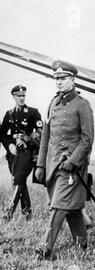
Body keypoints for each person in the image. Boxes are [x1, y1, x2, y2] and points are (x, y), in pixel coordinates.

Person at [34, 60, 95, 260]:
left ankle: (45, 246)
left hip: (71, 167)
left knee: (59, 204)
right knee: (71, 207)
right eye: (56, 79)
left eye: (63, 78)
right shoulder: (53, 103)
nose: (59, 82)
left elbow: (87, 139)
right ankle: (82, 243)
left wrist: (74, 161)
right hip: (53, 165)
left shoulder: (82, 105)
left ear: (73, 79)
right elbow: (46, 136)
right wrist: (40, 164)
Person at [1, 85, 42, 221]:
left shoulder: (33, 112)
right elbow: (2, 134)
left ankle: (10, 211)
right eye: (19, 96)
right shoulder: (9, 114)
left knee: (18, 179)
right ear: (14, 97)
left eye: (23, 95)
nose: (21, 98)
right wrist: (10, 145)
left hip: (28, 152)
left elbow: (41, 133)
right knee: (20, 181)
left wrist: (27, 138)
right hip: (13, 154)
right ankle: (27, 212)